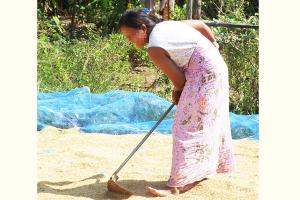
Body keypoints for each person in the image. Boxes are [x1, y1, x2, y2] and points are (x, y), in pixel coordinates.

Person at [118, 8, 235, 197]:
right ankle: (199, 173)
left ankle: (178, 186)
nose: (130, 41)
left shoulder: (154, 48)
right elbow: (201, 25)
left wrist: (177, 91)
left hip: (204, 76)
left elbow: (180, 81)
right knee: (204, 124)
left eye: (130, 36)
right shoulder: (167, 25)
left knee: (185, 128)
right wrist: (213, 43)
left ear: (142, 28)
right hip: (217, 69)